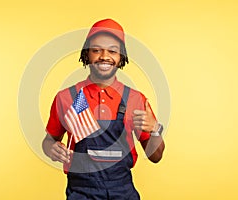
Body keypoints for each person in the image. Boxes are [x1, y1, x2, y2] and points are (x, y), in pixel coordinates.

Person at [42, 18, 165, 200]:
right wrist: (52, 148)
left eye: (112, 51)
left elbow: (155, 157)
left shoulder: (136, 100)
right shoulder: (66, 97)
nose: (104, 56)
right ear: (87, 54)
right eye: (96, 50)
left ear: (121, 56)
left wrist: (155, 129)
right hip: (81, 192)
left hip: (122, 191)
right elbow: (48, 142)